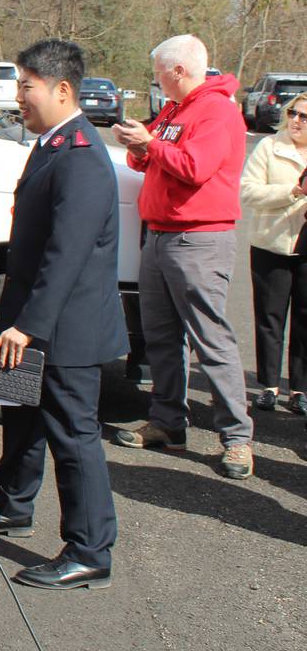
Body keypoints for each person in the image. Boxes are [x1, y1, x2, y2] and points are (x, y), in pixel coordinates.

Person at [0, 40, 124, 591]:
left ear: (62, 90)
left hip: (62, 329)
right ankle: (13, 503)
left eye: (27, 86)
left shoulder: (83, 158)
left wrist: (27, 326)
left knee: (74, 436)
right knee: (17, 415)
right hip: (23, 316)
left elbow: (66, 256)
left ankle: (90, 549)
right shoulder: (51, 145)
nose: (18, 96)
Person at [111, 34, 254, 479]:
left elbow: (194, 167)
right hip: (160, 236)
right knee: (161, 338)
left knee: (211, 340)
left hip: (199, 239)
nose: (155, 80)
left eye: (158, 72)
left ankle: (237, 438)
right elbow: (153, 161)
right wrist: (141, 145)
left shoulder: (217, 112)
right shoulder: (176, 111)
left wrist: (149, 145)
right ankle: (167, 422)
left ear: (177, 70)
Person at [239, 91, 307, 415]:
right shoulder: (269, 146)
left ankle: (299, 389)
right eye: (293, 113)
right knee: (270, 317)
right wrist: (293, 191)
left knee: (305, 321)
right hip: (272, 243)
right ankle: (268, 385)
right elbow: (249, 191)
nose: (296, 121)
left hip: (306, 247)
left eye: (304, 117)